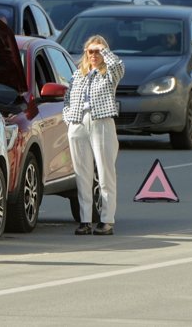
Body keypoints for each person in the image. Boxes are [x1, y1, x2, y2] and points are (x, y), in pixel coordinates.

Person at [63, 35, 124, 236]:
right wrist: (69, 119)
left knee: (106, 174)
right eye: (91, 51)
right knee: (82, 175)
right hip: (78, 122)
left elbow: (117, 65)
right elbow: (67, 97)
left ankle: (106, 220)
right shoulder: (78, 74)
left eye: (98, 51)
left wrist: (103, 49)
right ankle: (85, 220)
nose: (94, 55)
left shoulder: (109, 73)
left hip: (101, 122)